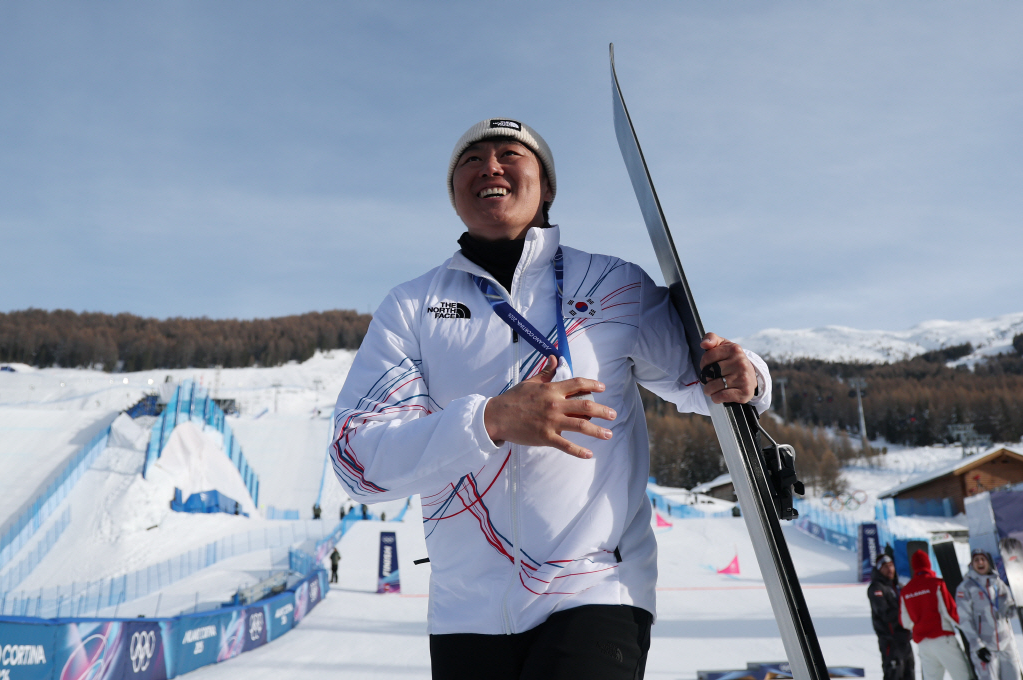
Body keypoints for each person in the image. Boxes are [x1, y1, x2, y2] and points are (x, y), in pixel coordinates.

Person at [330, 118, 771, 680]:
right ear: (454, 194)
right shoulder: (413, 306)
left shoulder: (613, 285)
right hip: (465, 610)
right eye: (471, 159)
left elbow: (705, 380)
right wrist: (490, 420)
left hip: (595, 588)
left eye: (510, 154)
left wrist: (747, 374)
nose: (490, 166)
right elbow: (358, 459)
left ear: (547, 187)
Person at [955, 549, 1023, 680]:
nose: (980, 562)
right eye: (976, 560)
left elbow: (1008, 611)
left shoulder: (998, 584)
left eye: (983, 559)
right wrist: (978, 646)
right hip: (985, 647)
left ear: (989, 563)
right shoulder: (966, 587)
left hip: (1005, 645)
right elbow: (964, 620)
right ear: (971, 564)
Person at [900, 550, 971, 680]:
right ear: (928, 563)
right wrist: (969, 628)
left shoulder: (906, 591)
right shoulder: (937, 583)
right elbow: (950, 611)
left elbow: (905, 622)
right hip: (943, 638)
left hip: (923, 644)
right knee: (963, 676)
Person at [868, 555, 913, 680]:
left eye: (891, 566)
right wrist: (905, 611)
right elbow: (884, 613)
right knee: (893, 675)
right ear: (879, 569)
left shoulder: (898, 586)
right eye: (886, 567)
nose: (890, 569)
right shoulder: (876, 588)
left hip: (905, 640)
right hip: (890, 641)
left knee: (910, 674)